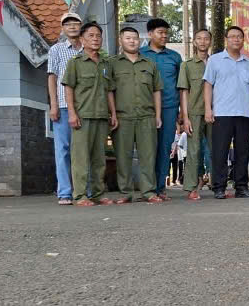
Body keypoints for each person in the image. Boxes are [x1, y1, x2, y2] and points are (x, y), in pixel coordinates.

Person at [62, 22, 116, 206]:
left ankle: (98, 194)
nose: (95, 39)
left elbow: (109, 90)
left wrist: (113, 113)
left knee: (99, 158)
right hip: (82, 116)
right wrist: (71, 113)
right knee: (80, 157)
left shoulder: (105, 64)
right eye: (91, 35)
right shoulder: (75, 63)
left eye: (98, 36)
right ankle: (80, 195)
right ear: (82, 39)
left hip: (101, 116)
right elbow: (68, 88)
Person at [203, 25, 249, 199]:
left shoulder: (248, 62)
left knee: (243, 151)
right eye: (232, 36)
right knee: (220, 152)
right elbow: (208, 85)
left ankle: (241, 187)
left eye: (239, 37)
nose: (236, 39)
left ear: (243, 40)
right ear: (226, 39)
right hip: (222, 112)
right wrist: (208, 108)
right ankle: (219, 187)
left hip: (244, 113)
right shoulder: (215, 60)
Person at [110, 27, 164, 204]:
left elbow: (157, 91)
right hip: (122, 117)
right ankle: (125, 192)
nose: (132, 41)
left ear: (139, 41)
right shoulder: (113, 64)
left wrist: (157, 115)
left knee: (148, 156)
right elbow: (109, 91)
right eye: (128, 38)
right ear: (121, 40)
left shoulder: (149, 64)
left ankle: (148, 191)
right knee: (123, 156)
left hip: (146, 116)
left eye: (135, 38)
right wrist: (112, 114)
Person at [140, 18, 182, 201]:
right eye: (160, 32)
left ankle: (159, 188)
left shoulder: (175, 57)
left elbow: (181, 86)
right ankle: (146, 188)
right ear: (150, 34)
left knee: (165, 148)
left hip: (170, 107)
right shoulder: (140, 55)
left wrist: (181, 112)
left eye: (166, 33)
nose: (164, 36)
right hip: (145, 108)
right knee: (147, 149)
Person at [47, 12, 84, 205]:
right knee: (63, 150)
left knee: (84, 150)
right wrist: (53, 104)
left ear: (81, 26)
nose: (72, 27)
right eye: (67, 24)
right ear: (63, 28)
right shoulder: (56, 50)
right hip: (61, 106)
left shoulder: (88, 49)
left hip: (85, 106)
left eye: (75, 23)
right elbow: (52, 77)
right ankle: (64, 192)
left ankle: (85, 191)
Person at [178, 29, 212, 200]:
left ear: (210, 42)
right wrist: (185, 117)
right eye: (199, 38)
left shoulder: (217, 62)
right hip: (195, 112)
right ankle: (191, 187)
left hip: (216, 112)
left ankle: (218, 184)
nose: (203, 41)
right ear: (194, 42)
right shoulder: (187, 65)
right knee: (194, 150)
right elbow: (184, 92)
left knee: (216, 150)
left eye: (206, 38)